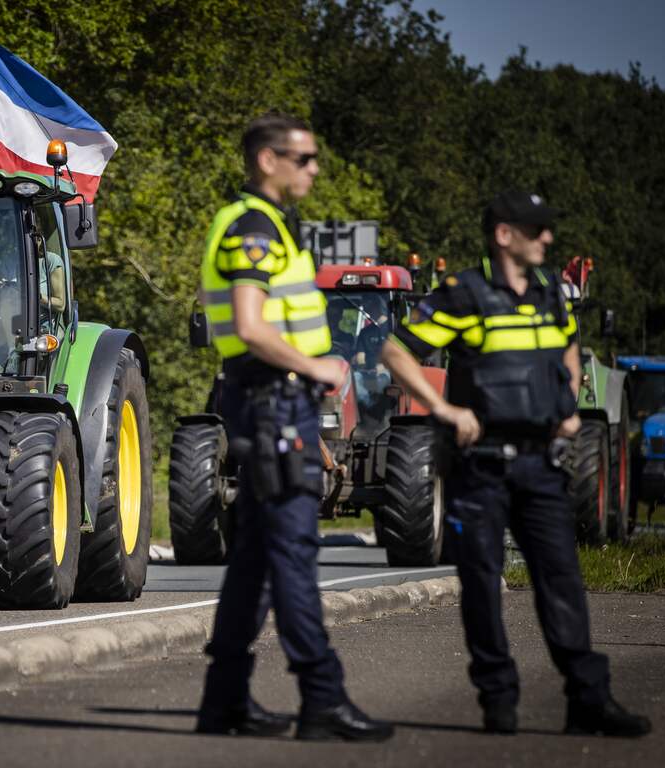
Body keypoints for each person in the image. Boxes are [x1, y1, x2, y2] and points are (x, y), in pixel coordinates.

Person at [381, 189, 651, 738]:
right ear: (505, 235)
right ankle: (498, 700)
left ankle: (589, 701)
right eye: (536, 229)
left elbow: (569, 348)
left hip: (540, 467)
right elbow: (396, 351)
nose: (547, 238)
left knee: (563, 583)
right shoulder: (463, 292)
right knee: (481, 586)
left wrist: (568, 406)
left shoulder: (552, 292)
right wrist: (443, 409)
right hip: (479, 466)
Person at [195, 113, 394, 743]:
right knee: (293, 558)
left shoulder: (274, 225)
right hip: (277, 406)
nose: (313, 169)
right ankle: (323, 698)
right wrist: (319, 366)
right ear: (266, 161)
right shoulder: (254, 228)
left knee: (255, 561)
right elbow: (252, 328)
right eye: (302, 159)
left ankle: (223, 702)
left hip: (276, 405)